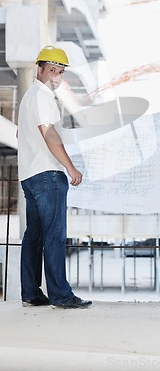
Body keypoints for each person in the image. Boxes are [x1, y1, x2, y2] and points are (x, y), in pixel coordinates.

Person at [18, 45, 92, 309]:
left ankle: (31, 293)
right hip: (48, 175)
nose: (56, 76)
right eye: (52, 70)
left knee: (34, 236)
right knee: (54, 236)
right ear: (39, 69)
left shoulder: (29, 97)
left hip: (30, 175)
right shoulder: (43, 96)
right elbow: (49, 133)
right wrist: (70, 168)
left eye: (60, 72)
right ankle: (61, 295)